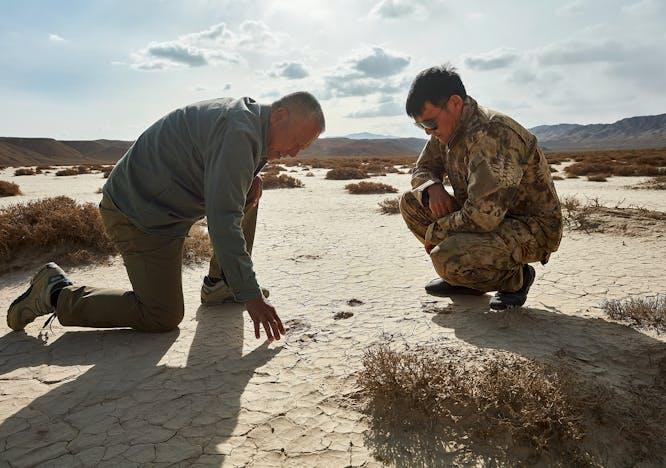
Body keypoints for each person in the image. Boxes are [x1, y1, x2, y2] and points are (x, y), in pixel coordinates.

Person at [8, 92, 324, 340]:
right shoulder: (240, 132)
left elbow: (226, 178)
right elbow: (222, 220)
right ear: (279, 116)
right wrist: (252, 296)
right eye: (297, 142)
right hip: (137, 214)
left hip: (166, 208)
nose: (296, 153)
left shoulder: (253, 122)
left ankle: (221, 284)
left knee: (247, 191)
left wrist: (251, 177)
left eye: (303, 148)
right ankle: (55, 292)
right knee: (162, 315)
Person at [399, 65, 563, 310]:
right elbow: (421, 170)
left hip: (530, 227)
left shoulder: (493, 134)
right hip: (483, 217)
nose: (429, 132)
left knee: (446, 256)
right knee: (412, 203)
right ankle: (466, 279)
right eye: (422, 127)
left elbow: (482, 217)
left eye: (431, 123)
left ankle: (515, 279)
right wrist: (433, 187)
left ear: (455, 103)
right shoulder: (444, 133)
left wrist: (436, 232)